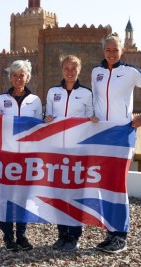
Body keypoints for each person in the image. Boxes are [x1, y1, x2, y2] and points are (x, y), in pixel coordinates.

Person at [91, 33, 141, 254]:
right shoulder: (96, 72)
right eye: (108, 50)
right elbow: (95, 100)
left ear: (122, 51)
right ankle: (110, 232)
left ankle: (121, 236)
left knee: (117, 185)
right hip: (101, 134)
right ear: (103, 51)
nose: (112, 54)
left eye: (115, 50)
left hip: (122, 134)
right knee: (104, 185)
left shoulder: (130, 72)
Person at [44, 55, 97, 252]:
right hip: (56, 150)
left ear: (79, 70)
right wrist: (46, 118)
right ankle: (62, 234)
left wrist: (93, 119)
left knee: (74, 194)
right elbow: (47, 116)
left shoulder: (86, 93)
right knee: (58, 194)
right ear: (61, 69)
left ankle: (74, 235)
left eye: (73, 68)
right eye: (66, 68)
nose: (70, 72)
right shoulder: (53, 92)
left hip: (77, 151)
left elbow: (92, 117)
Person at [0, 60, 42, 251]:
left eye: (22, 75)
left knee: (23, 197)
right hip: (6, 155)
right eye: (15, 75)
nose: (18, 78)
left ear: (28, 77)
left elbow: (39, 128)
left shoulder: (36, 101)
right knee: (6, 196)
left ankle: (21, 235)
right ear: (10, 77)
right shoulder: (0, 100)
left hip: (27, 156)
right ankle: (8, 236)